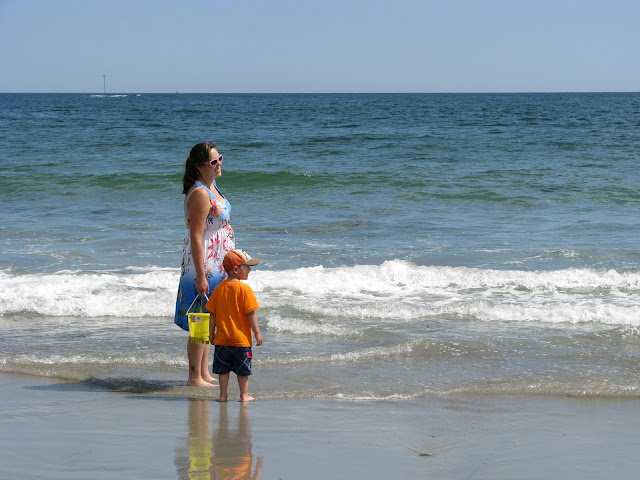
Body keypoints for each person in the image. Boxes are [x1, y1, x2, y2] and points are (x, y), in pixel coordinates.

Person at [174, 141, 234, 387]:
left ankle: (204, 372)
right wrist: (200, 276)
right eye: (213, 162)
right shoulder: (200, 193)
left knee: (210, 318)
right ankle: (194, 377)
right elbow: (196, 237)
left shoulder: (212, 187)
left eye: (220, 158)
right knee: (199, 319)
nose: (218, 164)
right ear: (200, 166)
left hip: (217, 264)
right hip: (204, 265)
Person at [206, 249, 263, 402]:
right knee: (243, 370)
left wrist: (211, 333)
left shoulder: (219, 289)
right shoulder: (245, 289)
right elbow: (250, 313)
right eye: (247, 267)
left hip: (222, 339)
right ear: (236, 269)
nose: (250, 270)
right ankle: (244, 395)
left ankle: (223, 395)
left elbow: (213, 314)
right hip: (241, 340)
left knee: (223, 370)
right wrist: (257, 333)